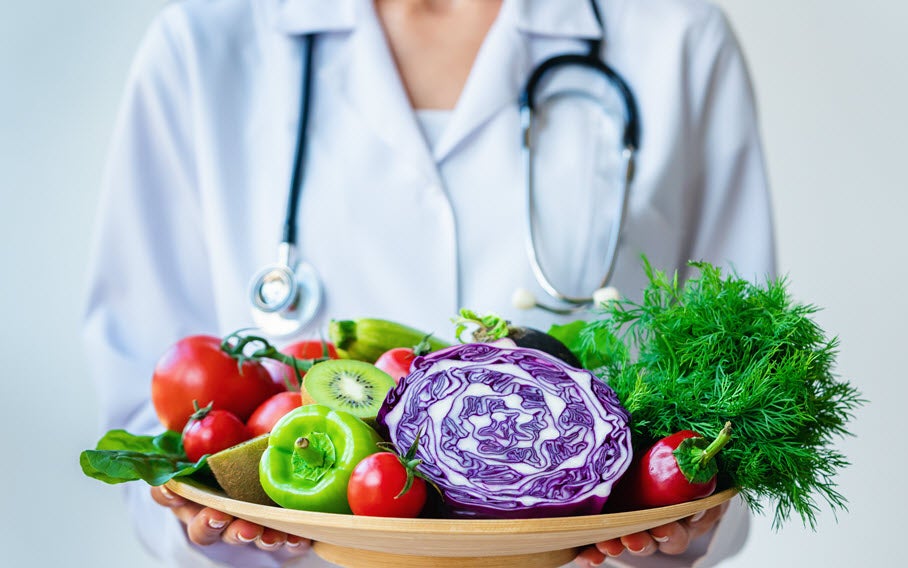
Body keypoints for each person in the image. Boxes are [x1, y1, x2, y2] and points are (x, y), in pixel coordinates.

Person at [83, 0, 775, 567]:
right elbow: (144, 398)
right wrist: (205, 516)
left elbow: (745, 392)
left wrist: (679, 515)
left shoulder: (677, 39)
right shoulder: (202, 45)